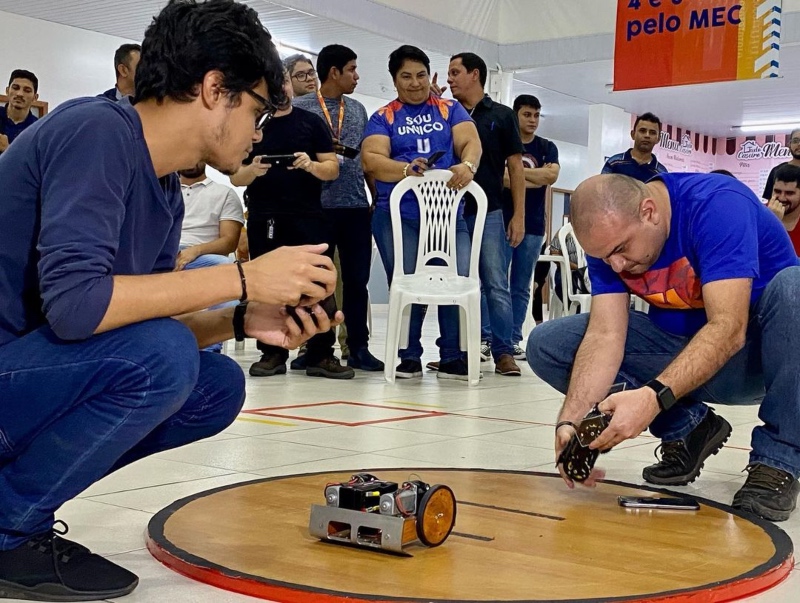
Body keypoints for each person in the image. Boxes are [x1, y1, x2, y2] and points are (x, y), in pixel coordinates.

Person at [0, 1, 341, 600]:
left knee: (215, 386)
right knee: (164, 357)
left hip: (26, 378)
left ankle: (18, 505)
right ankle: (7, 526)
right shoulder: (97, 130)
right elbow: (78, 306)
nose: (258, 131)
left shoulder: (162, 188)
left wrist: (241, 319)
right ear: (216, 89)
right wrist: (241, 278)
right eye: (257, 109)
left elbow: (138, 320)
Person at [527, 172, 800, 522]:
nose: (617, 265)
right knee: (549, 344)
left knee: (795, 286)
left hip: (760, 358)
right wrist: (571, 421)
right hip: (684, 353)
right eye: (605, 256)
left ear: (650, 211)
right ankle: (690, 429)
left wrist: (652, 397)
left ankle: (777, 462)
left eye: (621, 250)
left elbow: (729, 328)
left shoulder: (717, 206)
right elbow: (604, 336)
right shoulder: (611, 241)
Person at [362, 45, 481, 380]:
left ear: (430, 76)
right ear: (394, 80)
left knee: (455, 281)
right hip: (398, 215)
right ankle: (408, 355)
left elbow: (471, 142)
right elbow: (371, 159)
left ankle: (453, 356)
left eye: (421, 75)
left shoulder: (449, 109)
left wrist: (468, 164)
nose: (415, 83)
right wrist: (403, 168)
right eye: (406, 77)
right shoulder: (383, 116)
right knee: (405, 281)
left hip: (447, 215)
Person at [231, 67, 351, 379]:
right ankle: (272, 352)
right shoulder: (252, 125)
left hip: (307, 216)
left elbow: (332, 169)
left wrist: (311, 165)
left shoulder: (311, 123)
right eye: (274, 82)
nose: (280, 87)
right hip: (264, 217)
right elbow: (236, 175)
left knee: (317, 283)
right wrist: (253, 171)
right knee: (266, 285)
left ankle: (321, 353)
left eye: (284, 81)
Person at [294, 44, 383, 372]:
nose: (357, 76)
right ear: (334, 72)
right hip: (314, 207)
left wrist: (374, 196)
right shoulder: (300, 108)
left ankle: (358, 346)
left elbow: (365, 159)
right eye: (352, 70)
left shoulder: (358, 110)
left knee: (357, 281)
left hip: (355, 206)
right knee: (317, 282)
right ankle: (318, 348)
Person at [447, 51, 525, 376]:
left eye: (455, 72)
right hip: (450, 212)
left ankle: (503, 351)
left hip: (491, 210)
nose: (449, 79)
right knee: (462, 283)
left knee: (496, 282)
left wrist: (518, 214)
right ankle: (462, 350)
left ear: (475, 74)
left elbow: (516, 167)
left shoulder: (503, 116)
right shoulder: (444, 114)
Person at [490, 94, 559, 360]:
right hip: (503, 222)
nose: (532, 120)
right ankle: (491, 339)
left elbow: (551, 176)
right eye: (527, 114)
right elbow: (503, 179)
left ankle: (514, 338)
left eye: (536, 115)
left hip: (533, 226)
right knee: (495, 284)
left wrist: (518, 175)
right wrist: (535, 176)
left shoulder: (547, 146)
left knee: (521, 285)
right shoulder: (506, 145)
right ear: (515, 115)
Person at [177, 163, 245, 351]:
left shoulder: (224, 193)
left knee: (228, 270)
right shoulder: (164, 191)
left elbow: (229, 242)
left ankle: (210, 347)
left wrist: (194, 251)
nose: (191, 160)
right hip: (164, 253)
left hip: (202, 257)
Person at [602, 112, 667, 182]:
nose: (647, 135)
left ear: (658, 139)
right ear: (633, 134)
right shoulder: (614, 163)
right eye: (642, 131)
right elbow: (600, 189)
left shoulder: (662, 174)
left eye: (652, 132)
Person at [0, 69, 39, 155]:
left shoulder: (38, 129)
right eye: (15, 88)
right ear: (7, 91)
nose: (20, 93)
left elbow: (36, 164)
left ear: (35, 97)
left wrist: (7, 149)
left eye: (27, 90)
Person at [766, 163, 800, 256]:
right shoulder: (758, 214)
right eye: (777, 191)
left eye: (789, 193)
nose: (782, 198)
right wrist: (772, 222)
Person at [763, 129, 800, 199]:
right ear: (789, 145)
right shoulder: (776, 171)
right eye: (795, 141)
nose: (799, 144)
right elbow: (770, 202)